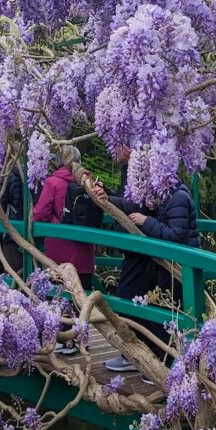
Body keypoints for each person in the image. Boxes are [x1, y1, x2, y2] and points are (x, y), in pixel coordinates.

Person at [97, 178, 200, 379]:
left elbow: (176, 234)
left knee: (169, 316)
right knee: (163, 315)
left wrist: (147, 221)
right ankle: (165, 365)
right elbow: (133, 202)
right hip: (168, 266)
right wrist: (108, 197)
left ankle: (168, 368)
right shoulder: (168, 196)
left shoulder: (178, 197)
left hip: (179, 267)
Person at [32, 145, 96, 293]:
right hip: (84, 252)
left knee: (57, 300)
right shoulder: (87, 181)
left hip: (58, 252)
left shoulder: (53, 182)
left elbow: (40, 214)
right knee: (82, 299)